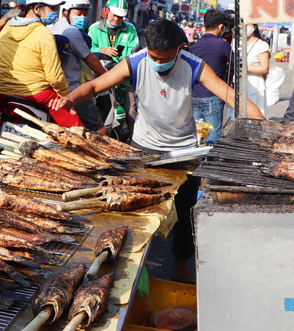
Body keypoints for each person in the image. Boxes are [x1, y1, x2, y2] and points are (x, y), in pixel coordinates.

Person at [49, 19, 264, 283]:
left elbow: (233, 98)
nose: (158, 62)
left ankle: (180, 266)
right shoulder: (136, 62)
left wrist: (262, 125)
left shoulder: (195, 66)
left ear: (179, 49)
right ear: (146, 47)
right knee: (137, 213)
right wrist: (71, 98)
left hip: (183, 153)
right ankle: (135, 268)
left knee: (185, 216)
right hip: (144, 150)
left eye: (165, 58)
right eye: (154, 56)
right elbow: (95, 85)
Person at [0, 0, 82, 127]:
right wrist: (65, 97)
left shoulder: (5, 29)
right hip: (38, 94)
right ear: (37, 9)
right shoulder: (43, 34)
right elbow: (54, 77)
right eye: (51, 8)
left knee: (3, 124)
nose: (54, 12)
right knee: (77, 130)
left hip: (3, 93)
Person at [49, 0, 107, 134]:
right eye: (78, 13)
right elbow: (91, 60)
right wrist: (109, 76)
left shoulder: (50, 28)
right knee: (100, 130)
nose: (83, 17)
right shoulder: (72, 32)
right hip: (71, 90)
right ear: (65, 12)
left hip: (51, 89)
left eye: (85, 14)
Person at [88, 0, 139, 137]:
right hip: (99, 76)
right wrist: (101, 51)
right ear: (106, 12)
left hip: (124, 77)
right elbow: (86, 50)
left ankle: (133, 139)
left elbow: (133, 53)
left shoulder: (130, 30)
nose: (116, 19)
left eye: (121, 17)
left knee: (131, 110)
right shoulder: (94, 29)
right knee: (93, 107)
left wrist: (119, 60)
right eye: (114, 15)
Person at [189, 10, 232, 144]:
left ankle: (199, 161)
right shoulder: (223, 44)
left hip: (195, 95)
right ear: (220, 27)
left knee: (199, 134)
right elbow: (235, 64)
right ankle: (210, 162)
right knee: (213, 136)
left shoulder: (195, 46)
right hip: (213, 96)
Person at [234, 23, 270, 117]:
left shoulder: (262, 45)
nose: (243, 27)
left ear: (254, 27)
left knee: (254, 117)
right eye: (241, 25)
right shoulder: (235, 42)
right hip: (239, 84)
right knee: (239, 117)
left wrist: (245, 68)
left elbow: (265, 68)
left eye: (246, 25)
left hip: (255, 86)